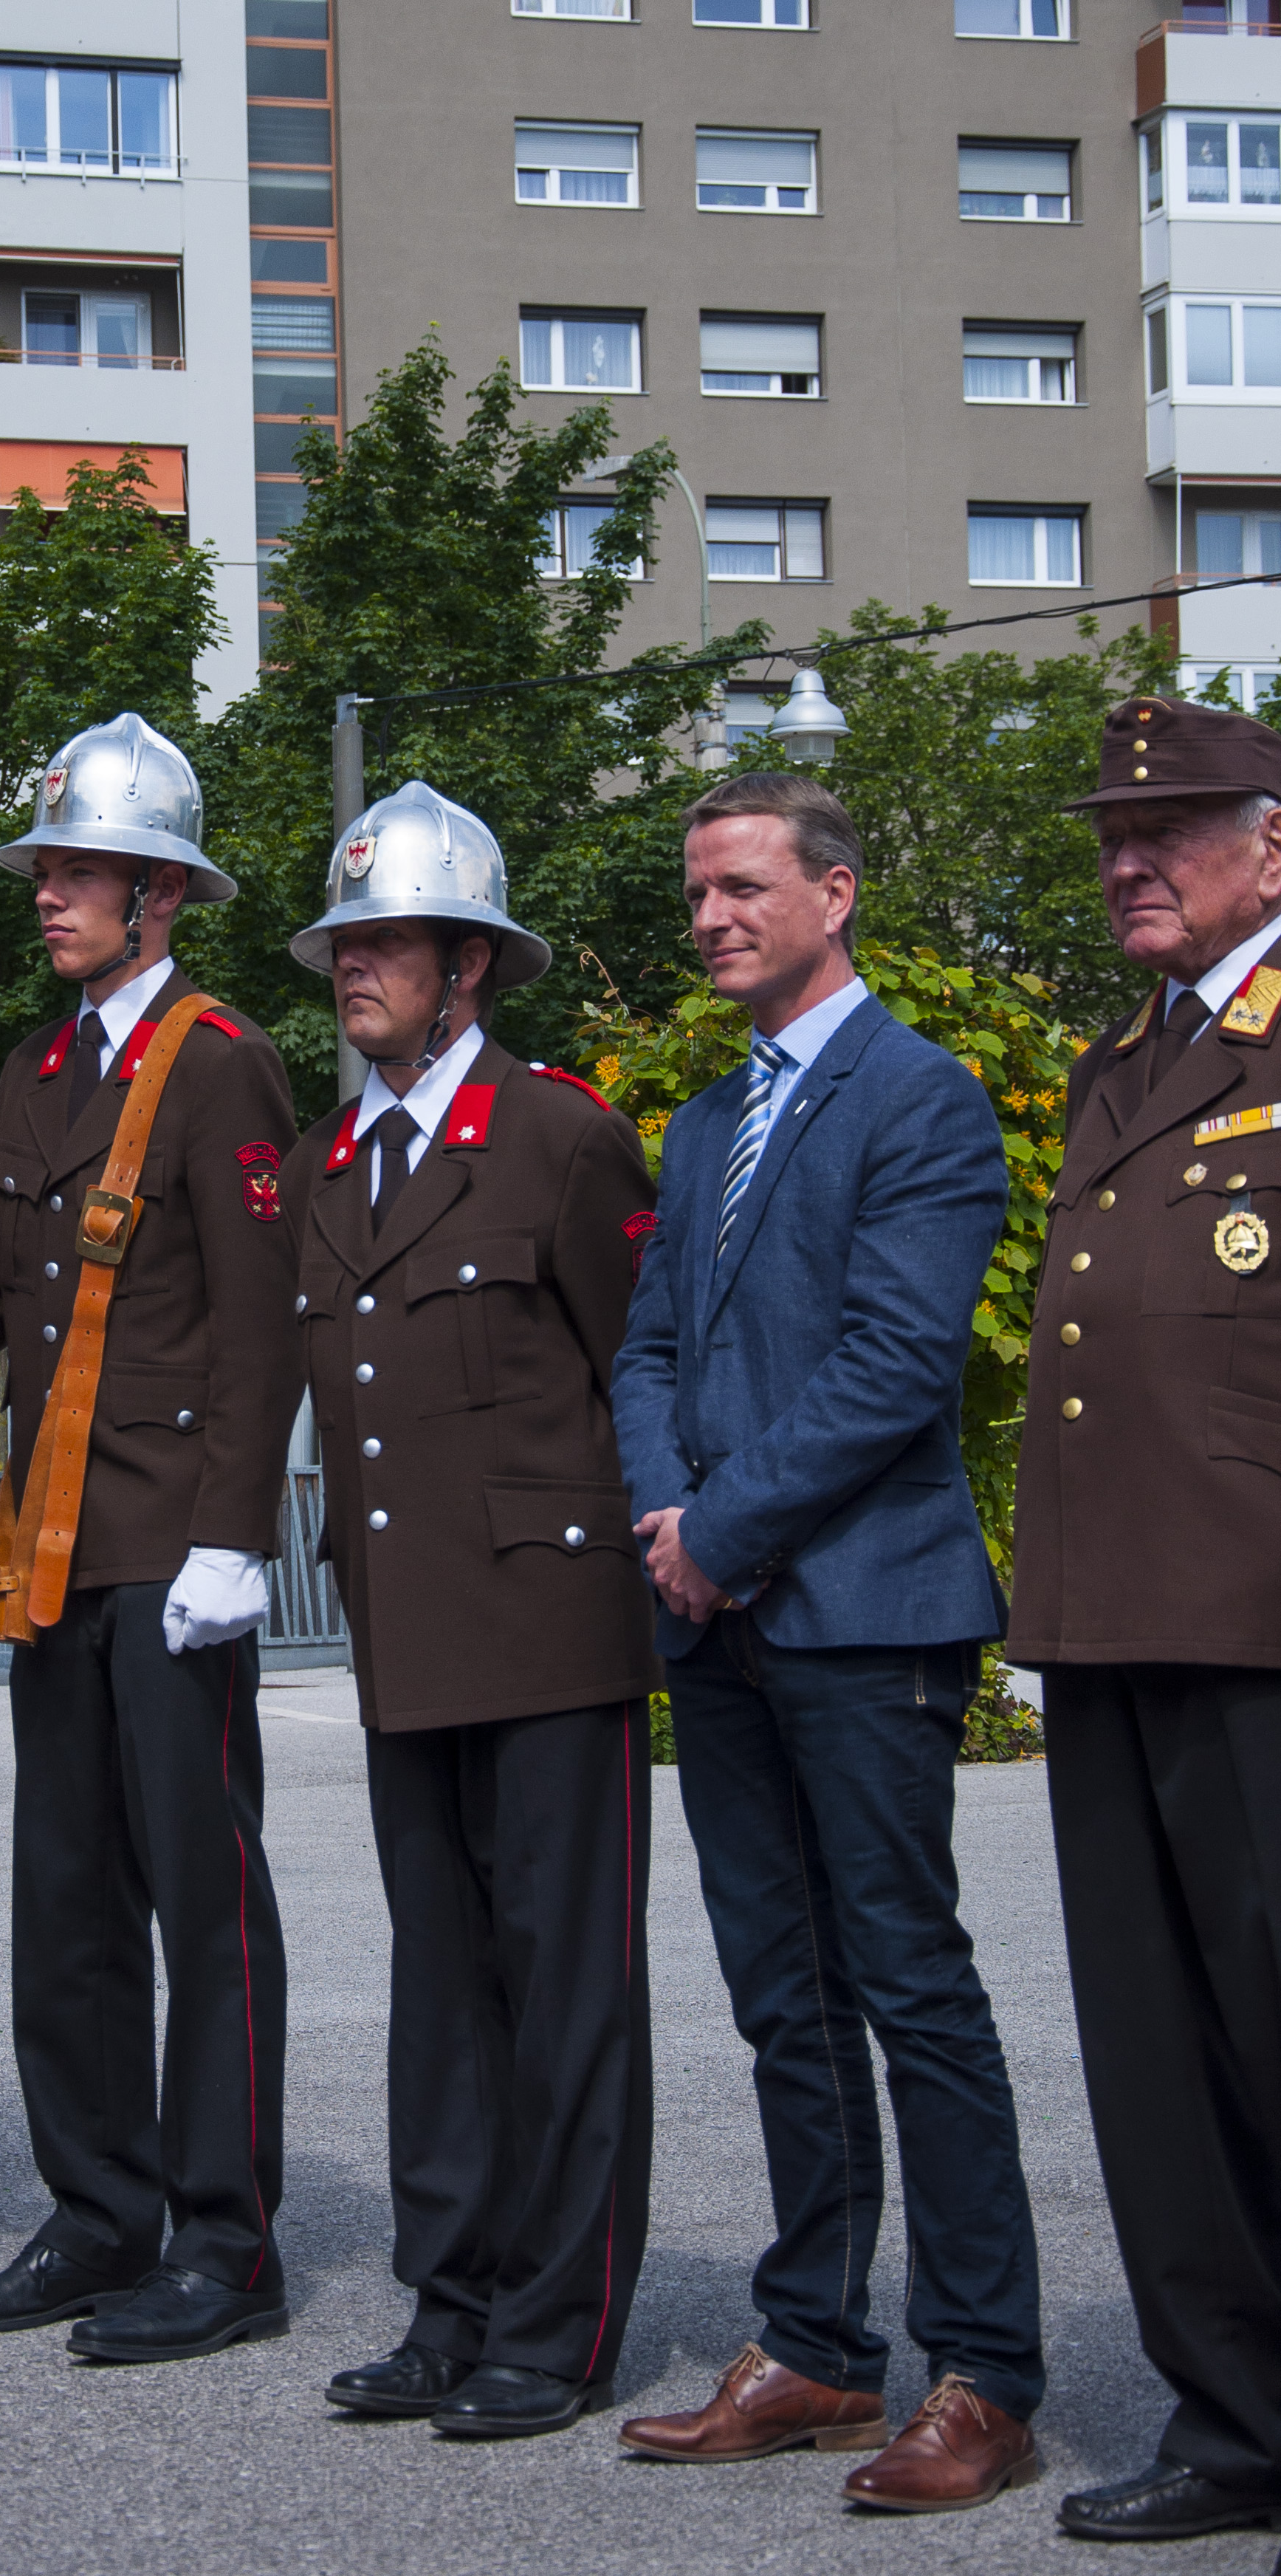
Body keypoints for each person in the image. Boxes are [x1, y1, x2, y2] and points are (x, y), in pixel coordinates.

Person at [610, 767, 1044, 2516]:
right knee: (776, 1992)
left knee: (907, 1987)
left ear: (834, 892)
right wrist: (666, 1520)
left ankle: (981, 2370)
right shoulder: (706, 1121)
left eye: (738, 886)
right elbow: (646, 1346)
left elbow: (891, 1362)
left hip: (862, 1615)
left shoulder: (920, 1100)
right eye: (694, 891)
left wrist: (717, 1531)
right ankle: (813, 2343)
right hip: (712, 1622)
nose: (708, 914)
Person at [0, 713, 303, 2364]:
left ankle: (224, 2239)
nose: (49, 891)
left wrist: (233, 1532)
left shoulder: (220, 1059)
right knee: (66, 1899)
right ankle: (99, 2212)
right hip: (55, 1549)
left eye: (80, 869)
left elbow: (263, 1323)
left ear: (159, 893)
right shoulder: (40, 1070)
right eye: (46, 866)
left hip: (169, 1548)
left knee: (204, 1898)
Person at [279, 782, 659, 2442]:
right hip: (404, 1624)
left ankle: (556, 2321)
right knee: (438, 1982)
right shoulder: (325, 1156)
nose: (354, 967)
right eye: (343, 942)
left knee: (560, 1983)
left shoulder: (561, 1137)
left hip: (550, 1618)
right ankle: (453, 2293)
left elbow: (635, 1358)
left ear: (468, 969)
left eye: (387, 943)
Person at [1009, 693, 1281, 2546]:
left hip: (1259, 1621)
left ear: (1270, 843)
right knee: (1156, 2049)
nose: (1129, 855)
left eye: (1171, 826)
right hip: (1113, 1619)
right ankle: (1230, 2415)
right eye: (1115, 829)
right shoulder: (1124, 1055)